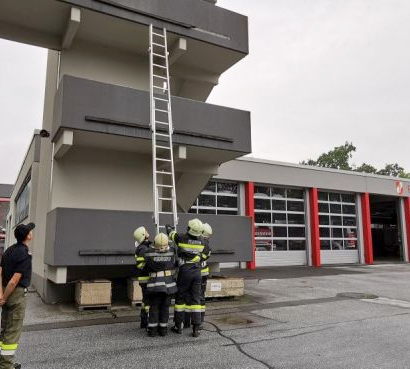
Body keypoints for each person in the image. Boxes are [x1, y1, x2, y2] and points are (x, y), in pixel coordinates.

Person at [0, 222, 35, 369]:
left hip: (5, 293)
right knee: (12, 333)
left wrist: (1, 294)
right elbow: (14, 281)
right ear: (27, 236)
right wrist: (5, 296)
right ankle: (6, 366)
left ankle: (3, 362)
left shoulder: (8, 250)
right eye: (30, 231)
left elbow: (0, 273)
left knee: (5, 329)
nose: (32, 233)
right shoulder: (25, 254)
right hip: (15, 295)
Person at [166, 219, 206, 338]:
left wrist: (169, 227)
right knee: (196, 300)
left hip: (185, 271)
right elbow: (204, 256)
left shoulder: (181, 238)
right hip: (197, 272)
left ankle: (178, 326)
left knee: (180, 298)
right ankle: (196, 328)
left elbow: (171, 234)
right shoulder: (203, 242)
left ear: (189, 229)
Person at [143, 233, 177, 337]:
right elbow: (175, 263)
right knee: (165, 307)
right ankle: (163, 330)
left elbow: (146, 267)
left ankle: (152, 330)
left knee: (154, 307)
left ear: (155, 243)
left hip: (155, 286)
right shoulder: (172, 251)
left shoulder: (148, 253)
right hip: (168, 285)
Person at [133, 226, 151, 329]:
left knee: (146, 301)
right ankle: (147, 322)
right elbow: (142, 265)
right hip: (146, 279)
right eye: (146, 231)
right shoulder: (143, 249)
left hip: (145, 279)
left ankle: (144, 321)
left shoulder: (144, 246)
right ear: (143, 236)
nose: (148, 232)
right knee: (148, 301)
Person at [199, 223, 212, 329]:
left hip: (195, 273)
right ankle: (200, 319)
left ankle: (191, 319)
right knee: (201, 297)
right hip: (204, 273)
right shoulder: (207, 244)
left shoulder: (197, 242)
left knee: (193, 297)